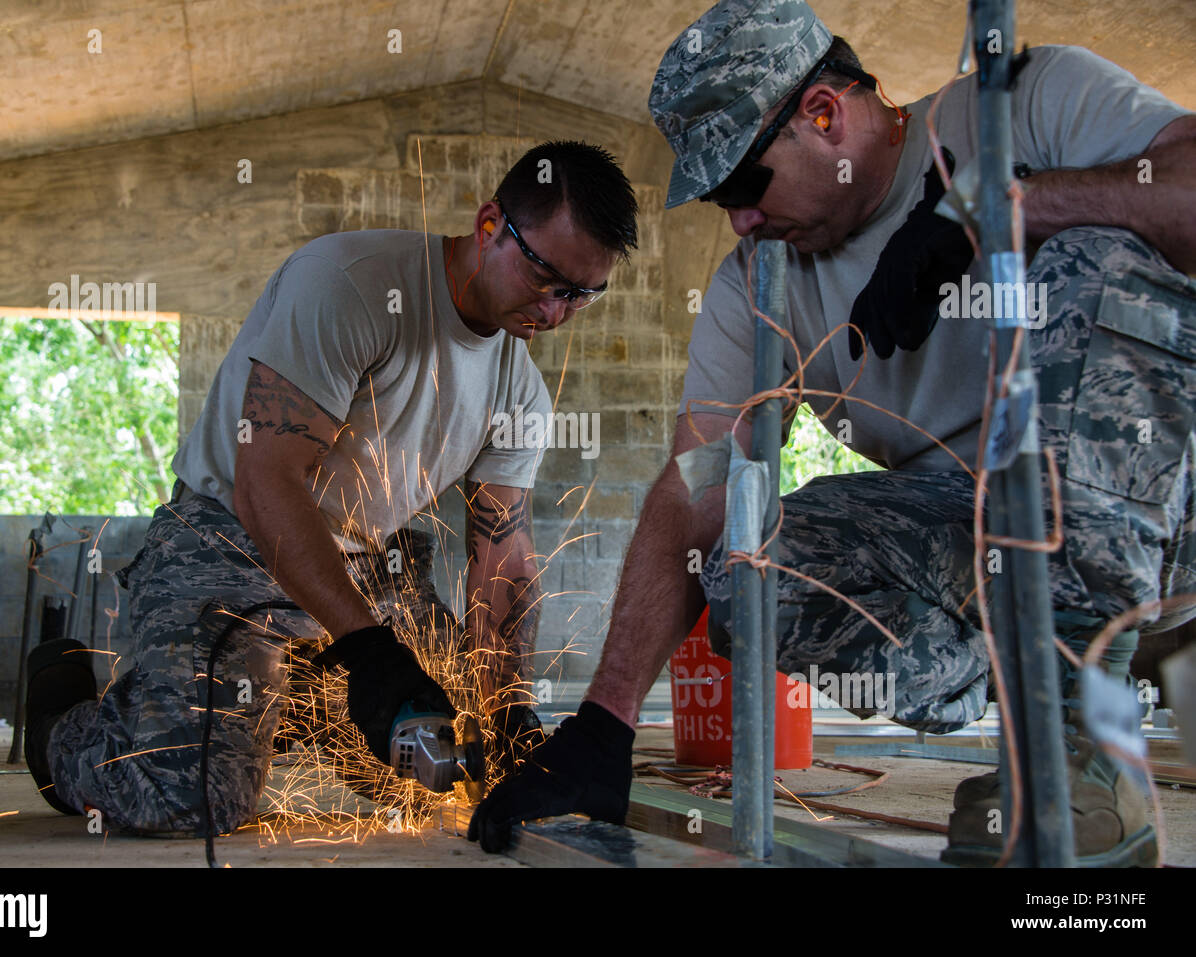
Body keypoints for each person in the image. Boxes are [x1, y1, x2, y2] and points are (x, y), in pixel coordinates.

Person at [468, 0, 1196, 867]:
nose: (739, 221)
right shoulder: (758, 284)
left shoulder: (1024, 103)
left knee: (1099, 255)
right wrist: (605, 725)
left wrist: (1003, 213)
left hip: (1167, 492)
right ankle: (1038, 698)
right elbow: (696, 482)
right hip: (978, 531)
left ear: (822, 114)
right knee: (750, 567)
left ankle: (1082, 748)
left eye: (744, 186)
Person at [22, 140, 639, 836]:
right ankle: (61, 723)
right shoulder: (352, 283)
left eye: (580, 294)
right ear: (490, 223)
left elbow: (501, 554)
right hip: (232, 541)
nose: (555, 313)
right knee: (193, 797)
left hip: (373, 566)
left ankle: (292, 699)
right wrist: (375, 656)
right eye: (543, 275)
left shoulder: (520, 389)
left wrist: (507, 712)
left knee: (437, 765)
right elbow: (266, 482)